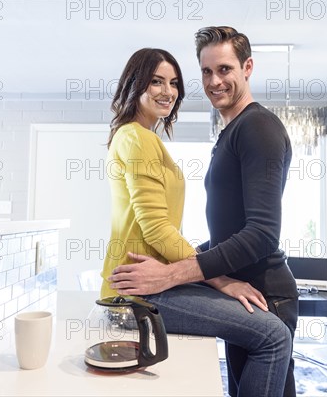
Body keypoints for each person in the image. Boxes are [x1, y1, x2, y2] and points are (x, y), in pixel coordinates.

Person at [109, 27, 299, 397]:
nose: (215, 81)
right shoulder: (230, 133)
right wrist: (206, 269)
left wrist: (177, 273)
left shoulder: (257, 127)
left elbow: (261, 233)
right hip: (241, 287)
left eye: (225, 69)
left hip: (264, 291)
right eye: (207, 72)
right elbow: (229, 230)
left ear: (248, 67)